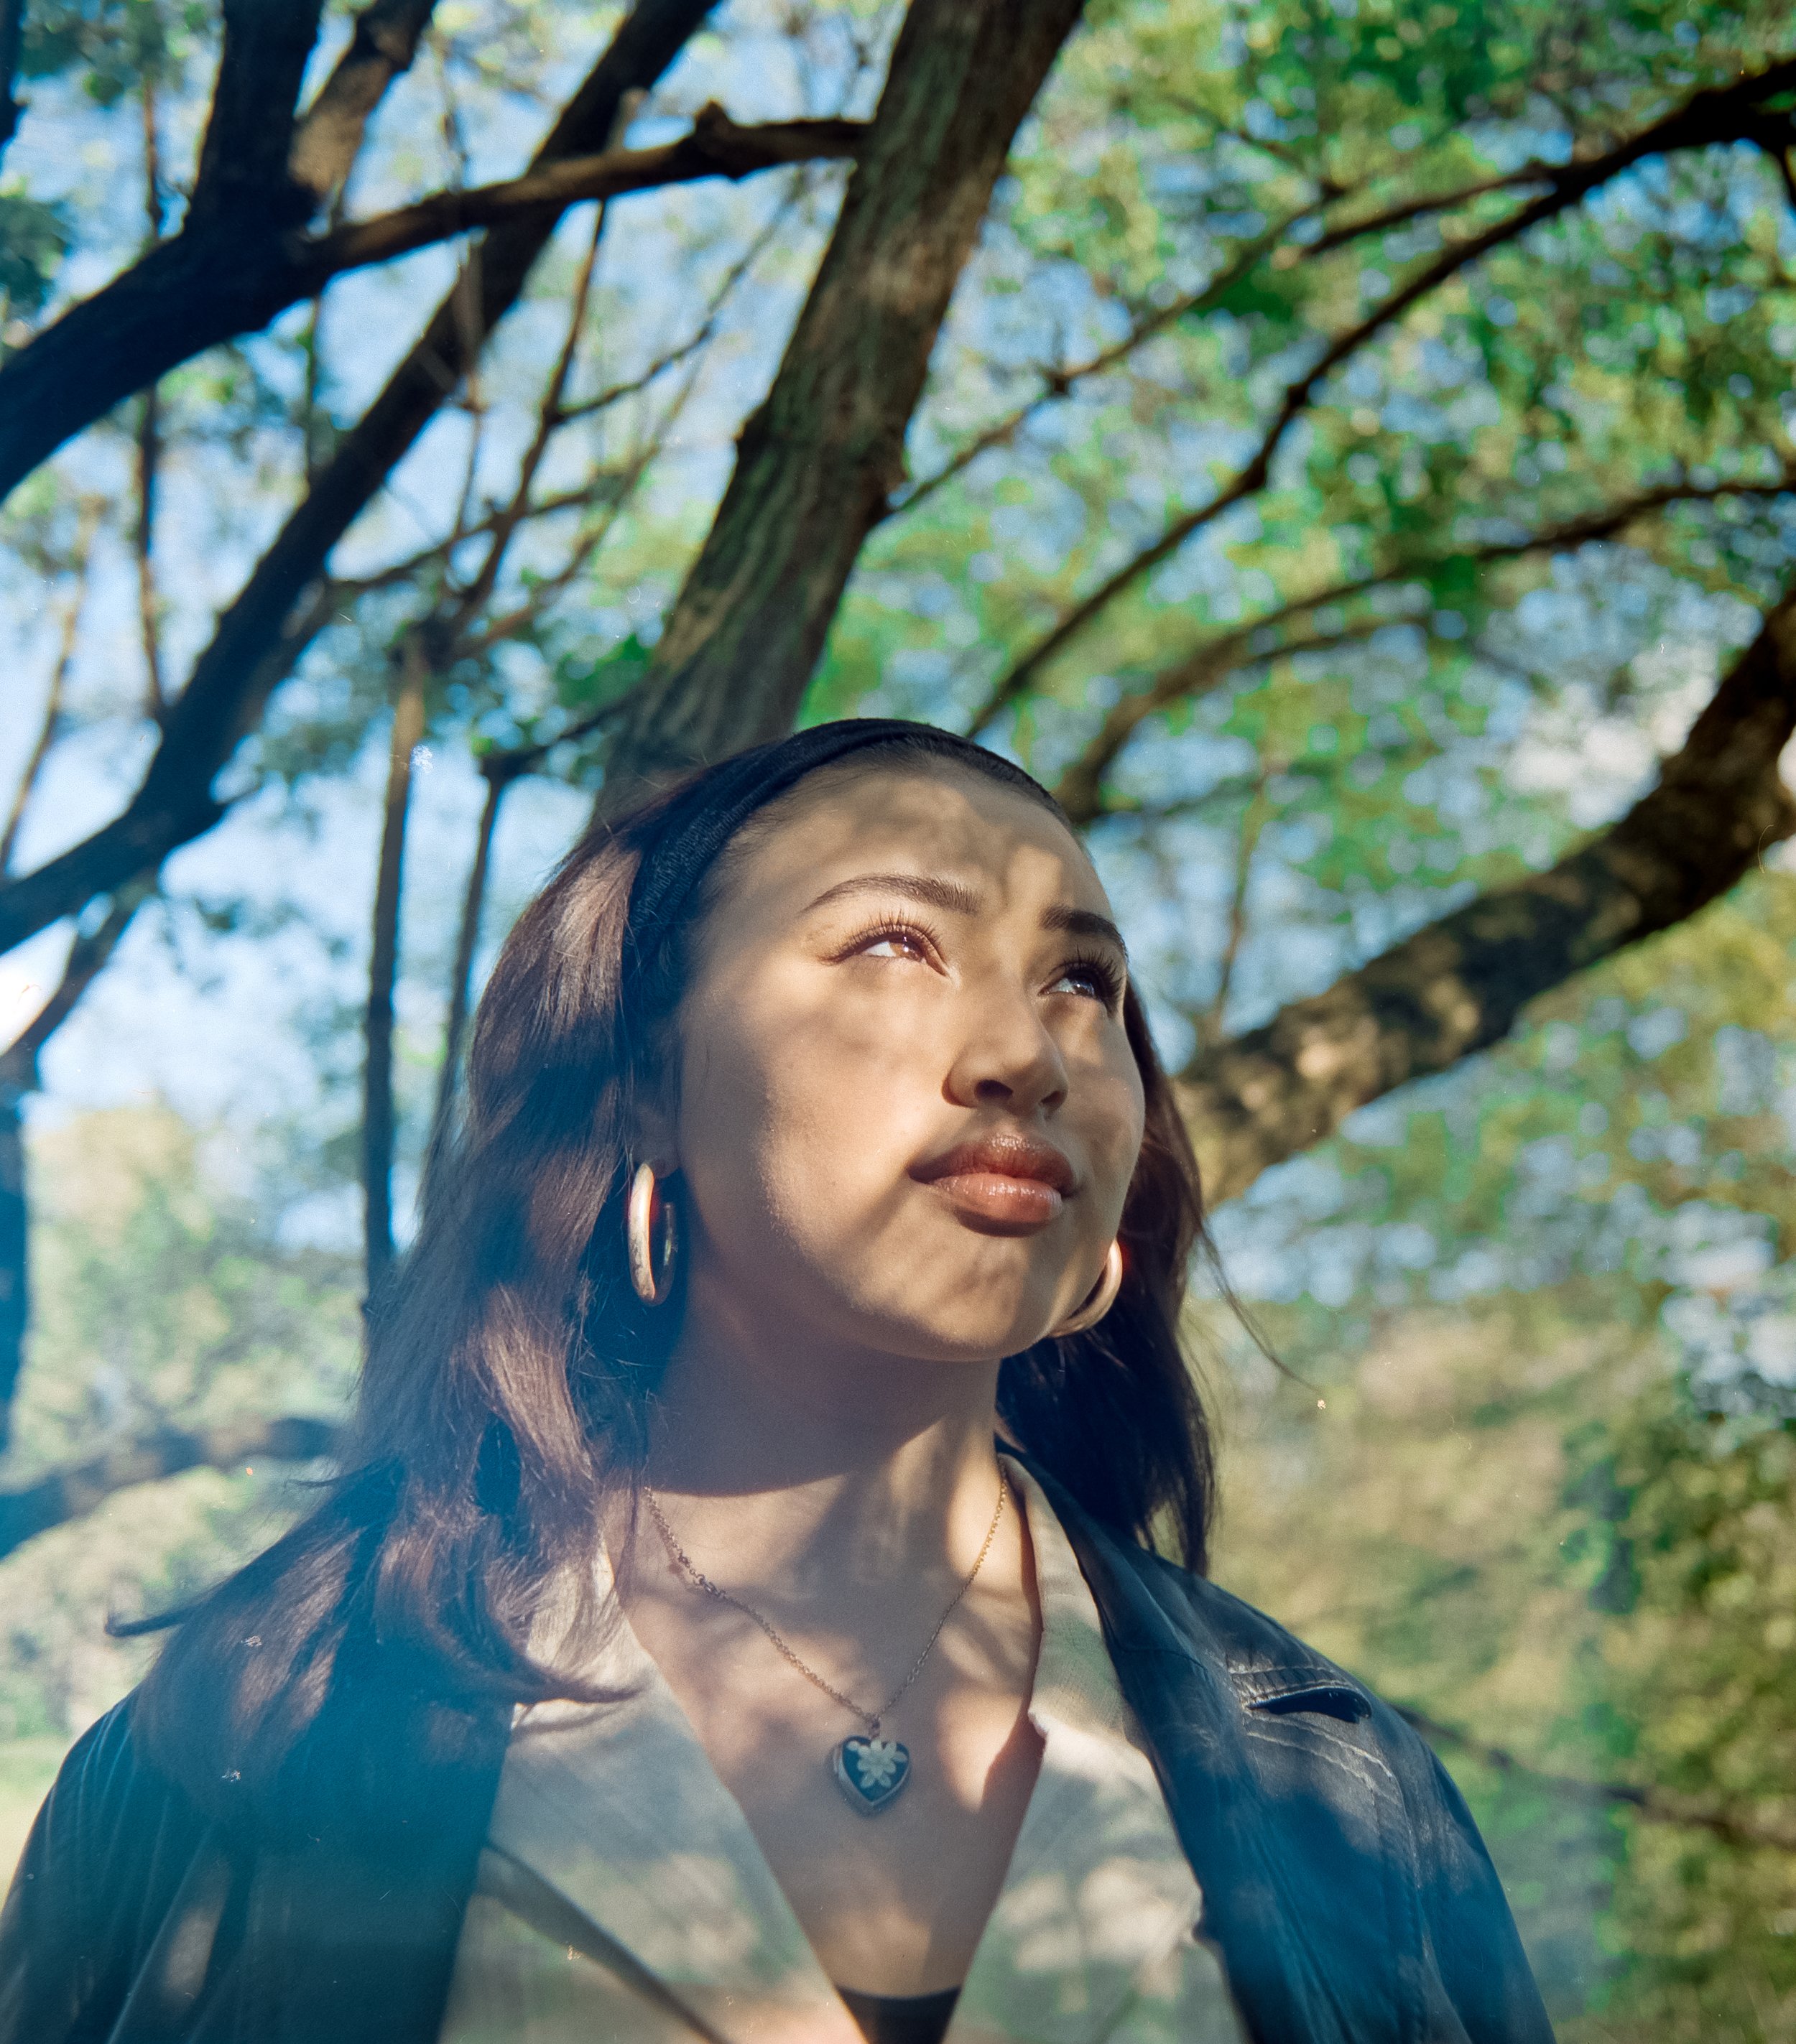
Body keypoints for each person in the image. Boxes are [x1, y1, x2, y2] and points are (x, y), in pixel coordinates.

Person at [0, 720, 1553, 2044]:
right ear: (643, 1085)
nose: (1025, 1049)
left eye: (1082, 982)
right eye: (895, 943)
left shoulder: (1343, 1788)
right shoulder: (260, 1730)